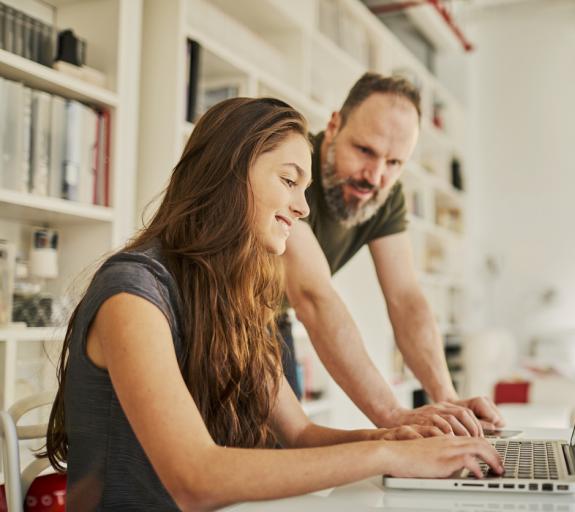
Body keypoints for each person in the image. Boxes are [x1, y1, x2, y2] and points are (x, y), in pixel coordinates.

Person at [44, 98, 503, 510]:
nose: (302, 208)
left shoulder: (236, 298)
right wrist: (388, 453)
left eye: (305, 188)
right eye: (288, 180)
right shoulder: (133, 293)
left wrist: (398, 436)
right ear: (227, 172)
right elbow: (195, 478)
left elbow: (301, 435)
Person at [280, 73, 504, 436]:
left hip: (271, 321)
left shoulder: (387, 196)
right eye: (365, 151)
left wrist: (446, 398)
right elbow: (313, 297)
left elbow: (406, 299)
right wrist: (393, 415)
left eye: (395, 163)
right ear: (334, 125)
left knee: (279, 458)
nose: (375, 176)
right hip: (207, 309)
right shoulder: (292, 165)